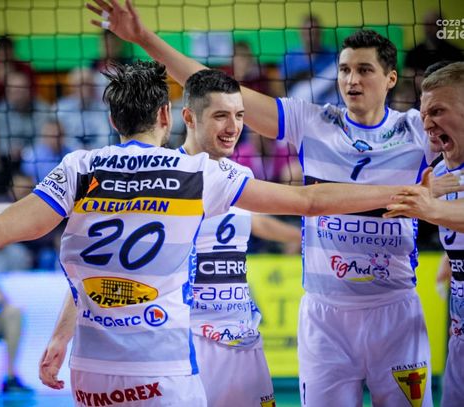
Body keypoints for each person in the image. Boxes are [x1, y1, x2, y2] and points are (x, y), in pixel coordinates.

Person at [0, 59, 410, 407]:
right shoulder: (199, 173)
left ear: (112, 120)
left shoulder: (78, 167)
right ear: (165, 117)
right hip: (163, 372)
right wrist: (405, 192)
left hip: (91, 374)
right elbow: (309, 202)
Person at [87, 1, 464, 404]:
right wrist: (144, 38)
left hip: (394, 309)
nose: (351, 79)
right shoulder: (312, 121)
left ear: (390, 78)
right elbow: (212, 89)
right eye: (344, 69)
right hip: (325, 314)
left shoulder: (418, 130)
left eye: (364, 70)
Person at [40, 68, 302, 406]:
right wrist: (62, 335)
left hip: (240, 337)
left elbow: (270, 218)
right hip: (187, 340)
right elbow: (99, 269)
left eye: (239, 116)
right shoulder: (166, 174)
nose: (233, 127)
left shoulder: (240, 175)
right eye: (220, 116)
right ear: (188, 118)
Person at [383, 62, 464, 406]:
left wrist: (429, 209)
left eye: (438, 111)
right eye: (424, 112)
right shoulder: (440, 172)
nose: (427, 122)